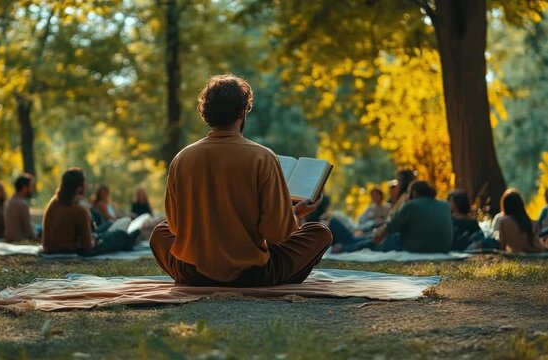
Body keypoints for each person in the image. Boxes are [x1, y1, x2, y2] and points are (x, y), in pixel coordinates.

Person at [149, 74, 332, 287]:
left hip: (193, 273)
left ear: (206, 113)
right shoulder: (263, 157)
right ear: (242, 111)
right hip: (252, 275)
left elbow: (174, 227)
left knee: (159, 233)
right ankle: (275, 281)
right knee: (320, 233)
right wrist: (294, 214)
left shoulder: (182, 158)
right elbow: (276, 233)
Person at [42, 168, 138, 255]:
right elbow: (87, 246)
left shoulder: (54, 202)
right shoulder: (79, 210)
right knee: (118, 235)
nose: (86, 185)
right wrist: (96, 239)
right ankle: (128, 239)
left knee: (109, 225)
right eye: (85, 182)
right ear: (79, 188)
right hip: (73, 249)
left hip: (51, 248)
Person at [372, 181, 453, 253]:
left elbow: (392, 226)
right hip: (443, 248)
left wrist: (377, 236)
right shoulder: (445, 205)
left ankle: (372, 248)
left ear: (414, 192)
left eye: (408, 192)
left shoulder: (412, 205)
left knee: (392, 236)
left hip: (419, 248)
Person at [499, 189, 546, 253]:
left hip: (518, 254)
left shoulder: (504, 221)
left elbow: (502, 246)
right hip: (537, 252)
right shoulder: (532, 223)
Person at [4, 174, 39, 242]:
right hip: (19, 241)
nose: (32, 189)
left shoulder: (9, 201)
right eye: (31, 186)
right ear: (24, 188)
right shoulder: (22, 204)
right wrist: (39, 240)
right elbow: (28, 231)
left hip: (9, 239)